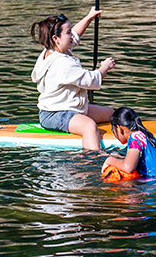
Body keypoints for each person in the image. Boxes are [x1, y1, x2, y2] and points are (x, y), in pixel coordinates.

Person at [30, 8, 116, 151]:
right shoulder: (62, 63)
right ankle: (91, 160)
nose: (72, 36)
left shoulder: (52, 49)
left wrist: (89, 17)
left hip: (72, 107)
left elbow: (75, 35)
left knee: (110, 113)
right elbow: (91, 80)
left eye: (70, 31)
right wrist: (105, 67)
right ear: (55, 39)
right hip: (55, 114)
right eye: (68, 33)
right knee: (89, 126)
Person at [101, 106, 156, 181]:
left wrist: (110, 160)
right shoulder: (143, 134)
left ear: (119, 128)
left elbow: (128, 168)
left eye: (113, 130)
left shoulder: (135, 138)